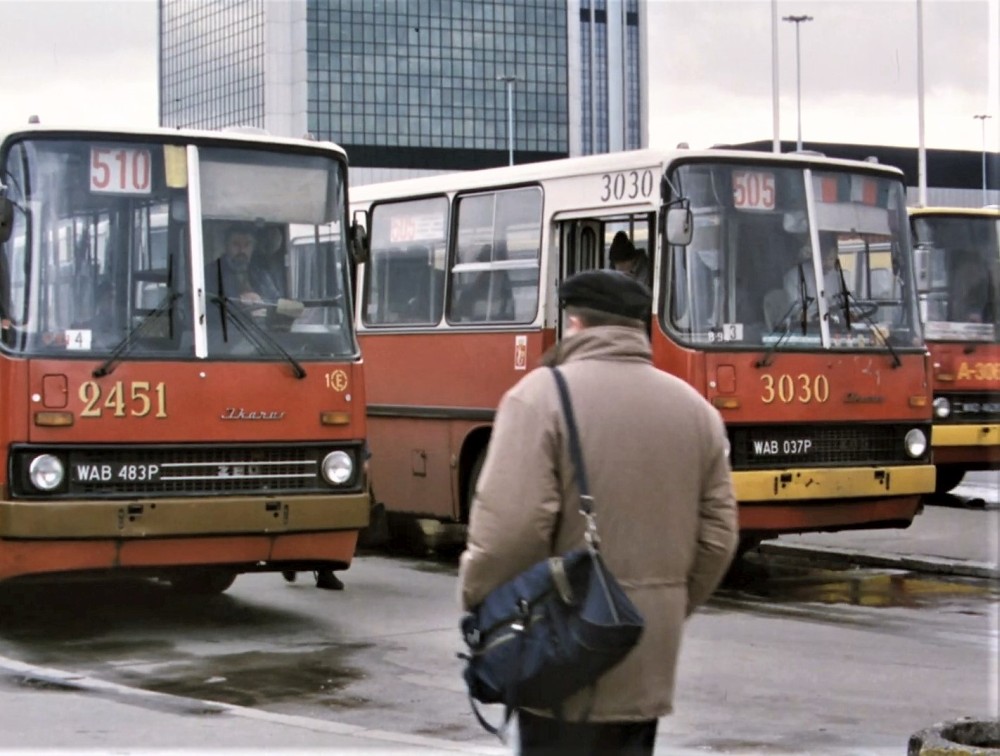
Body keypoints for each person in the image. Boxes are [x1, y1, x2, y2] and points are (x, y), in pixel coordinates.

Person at [458, 269, 739, 755]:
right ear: (638, 327)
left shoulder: (538, 398)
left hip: (562, 653)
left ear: (574, 324)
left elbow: (509, 533)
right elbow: (719, 536)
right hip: (646, 653)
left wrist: (483, 606)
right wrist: (663, 608)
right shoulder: (697, 412)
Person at [205, 224, 282, 311]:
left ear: (253, 247)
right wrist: (238, 301)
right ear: (226, 246)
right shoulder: (210, 273)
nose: (242, 250)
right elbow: (207, 307)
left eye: (247, 245)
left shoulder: (260, 273)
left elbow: (276, 301)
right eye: (236, 244)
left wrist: (261, 301)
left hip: (258, 324)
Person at [782, 232, 843, 320]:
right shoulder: (794, 276)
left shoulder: (835, 276)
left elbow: (840, 304)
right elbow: (795, 310)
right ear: (815, 256)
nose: (830, 264)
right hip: (804, 328)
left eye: (832, 259)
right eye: (824, 259)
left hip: (830, 325)